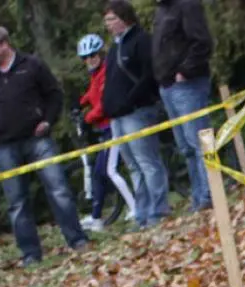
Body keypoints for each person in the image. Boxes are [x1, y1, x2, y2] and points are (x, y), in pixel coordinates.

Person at [0, 25, 88, 265]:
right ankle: (31, 254)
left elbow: (55, 94)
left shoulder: (32, 65)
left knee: (59, 189)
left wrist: (48, 121)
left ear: (4, 44)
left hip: (37, 139)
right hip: (4, 146)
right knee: (17, 202)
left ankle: (77, 240)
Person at [101, 0, 171, 227]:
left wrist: (130, 98)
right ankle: (142, 211)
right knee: (132, 165)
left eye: (112, 19)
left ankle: (158, 210)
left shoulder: (141, 41)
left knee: (147, 161)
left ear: (125, 18)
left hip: (137, 111)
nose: (108, 25)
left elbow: (148, 75)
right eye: (107, 20)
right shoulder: (114, 47)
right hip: (117, 116)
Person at [152, 0, 214, 212]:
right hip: (167, 86)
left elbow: (202, 42)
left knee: (199, 142)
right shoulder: (161, 10)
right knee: (186, 148)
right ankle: (198, 196)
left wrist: (185, 71)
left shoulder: (187, 5)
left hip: (188, 84)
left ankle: (209, 193)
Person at [77, 33, 138, 231]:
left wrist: (87, 119)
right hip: (104, 129)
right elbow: (92, 94)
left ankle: (135, 207)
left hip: (113, 127)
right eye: (85, 58)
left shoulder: (105, 72)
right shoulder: (95, 75)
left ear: (100, 54)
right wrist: (80, 103)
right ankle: (96, 218)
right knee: (99, 173)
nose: (89, 60)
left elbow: (103, 104)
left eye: (93, 55)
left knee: (109, 171)